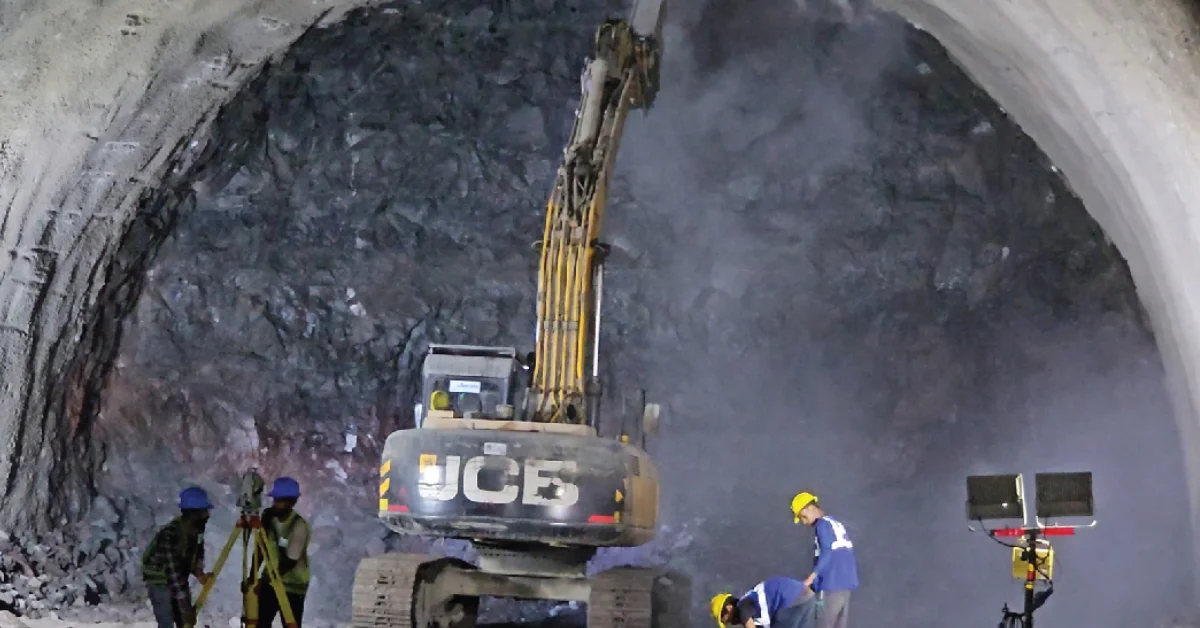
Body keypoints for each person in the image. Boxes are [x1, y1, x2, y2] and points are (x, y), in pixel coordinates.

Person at [141, 486, 214, 628]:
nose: (207, 515)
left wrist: (199, 573)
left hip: (176, 575)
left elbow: (194, 554)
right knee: (168, 621)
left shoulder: (196, 531)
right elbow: (173, 573)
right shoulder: (171, 534)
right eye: (204, 511)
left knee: (185, 620)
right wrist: (186, 607)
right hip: (159, 578)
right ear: (193, 513)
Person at [791, 491, 859, 628]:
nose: (804, 522)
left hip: (830, 585)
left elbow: (827, 552)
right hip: (846, 584)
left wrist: (811, 578)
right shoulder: (835, 523)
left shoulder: (821, 525)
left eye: (803, 517)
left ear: (809, 508)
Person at [254, 477, 312, 628]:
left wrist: (264, 580)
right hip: (271, 581)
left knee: (290, 624)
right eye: (275, 500)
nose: (275, 504)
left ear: (291, 502)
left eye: (279, 501)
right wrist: (252, 576)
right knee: (261, 622)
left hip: (293, 585)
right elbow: (262, 548)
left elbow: (289, 561)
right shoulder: (270, 520)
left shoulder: (299, 526)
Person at [710, 576, 817, 628]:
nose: (730, 623)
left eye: (725, 619)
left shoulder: (742, 606)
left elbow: (746, 618)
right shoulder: (753, 604)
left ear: (729, 607)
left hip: (789, 601)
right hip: (806, 596)